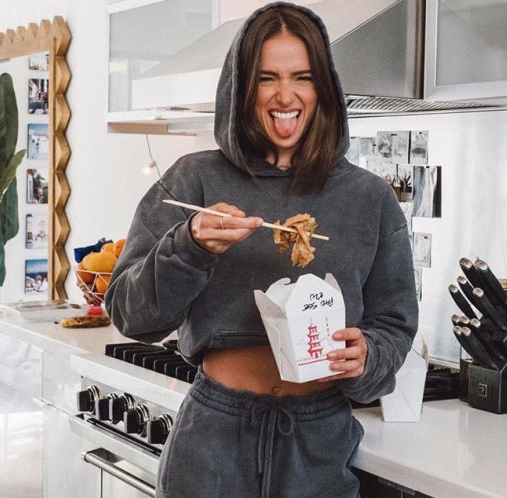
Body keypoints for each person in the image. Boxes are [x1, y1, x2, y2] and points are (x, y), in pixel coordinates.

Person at [106, 3, 418, 497]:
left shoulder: (370, 198)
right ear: (241, 88)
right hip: (213, 438)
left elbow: (394, 326)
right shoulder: (192, 180)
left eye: (302, 78)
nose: (285, 96)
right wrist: (190, 245)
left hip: (319, 442)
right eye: (266, 78)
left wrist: (369, 356)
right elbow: (129, 315)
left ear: (324, 89)